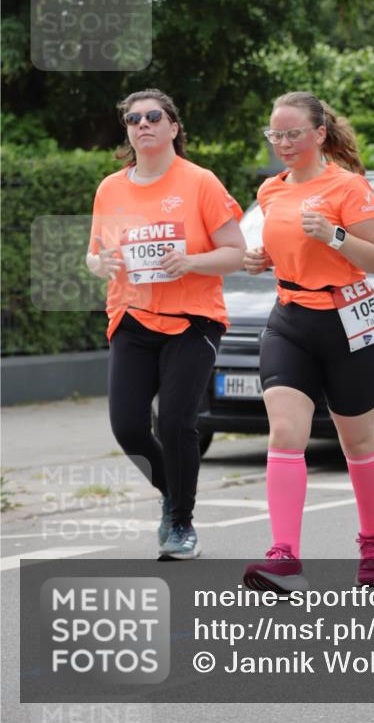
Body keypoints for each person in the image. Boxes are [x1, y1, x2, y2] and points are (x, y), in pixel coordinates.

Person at [86, 89, 245, 559]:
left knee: (176, 421)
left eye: (154, 116)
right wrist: (100, 264)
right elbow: (96, 253)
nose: (143, 124)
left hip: (193, 321)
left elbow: (235, 252)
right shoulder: (111, 188)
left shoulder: (200, 182)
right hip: (132, 318)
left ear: (174, 127)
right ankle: (171, 492)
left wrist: (191, 261)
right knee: (129, 428)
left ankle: (181, 523)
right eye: (133, 119)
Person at [243, 91, 374, 592]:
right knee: (286, 432)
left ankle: (373, 538)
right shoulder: (270, 191)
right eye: (275, 134)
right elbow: (285, 247)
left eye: (292, 134)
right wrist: (263, 258)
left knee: (357, 440)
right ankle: (284, 554)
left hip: (349, 322)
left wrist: (333, 235)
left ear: (319, 134)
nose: (282, 143)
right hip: (289, 320)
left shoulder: (348, 188)